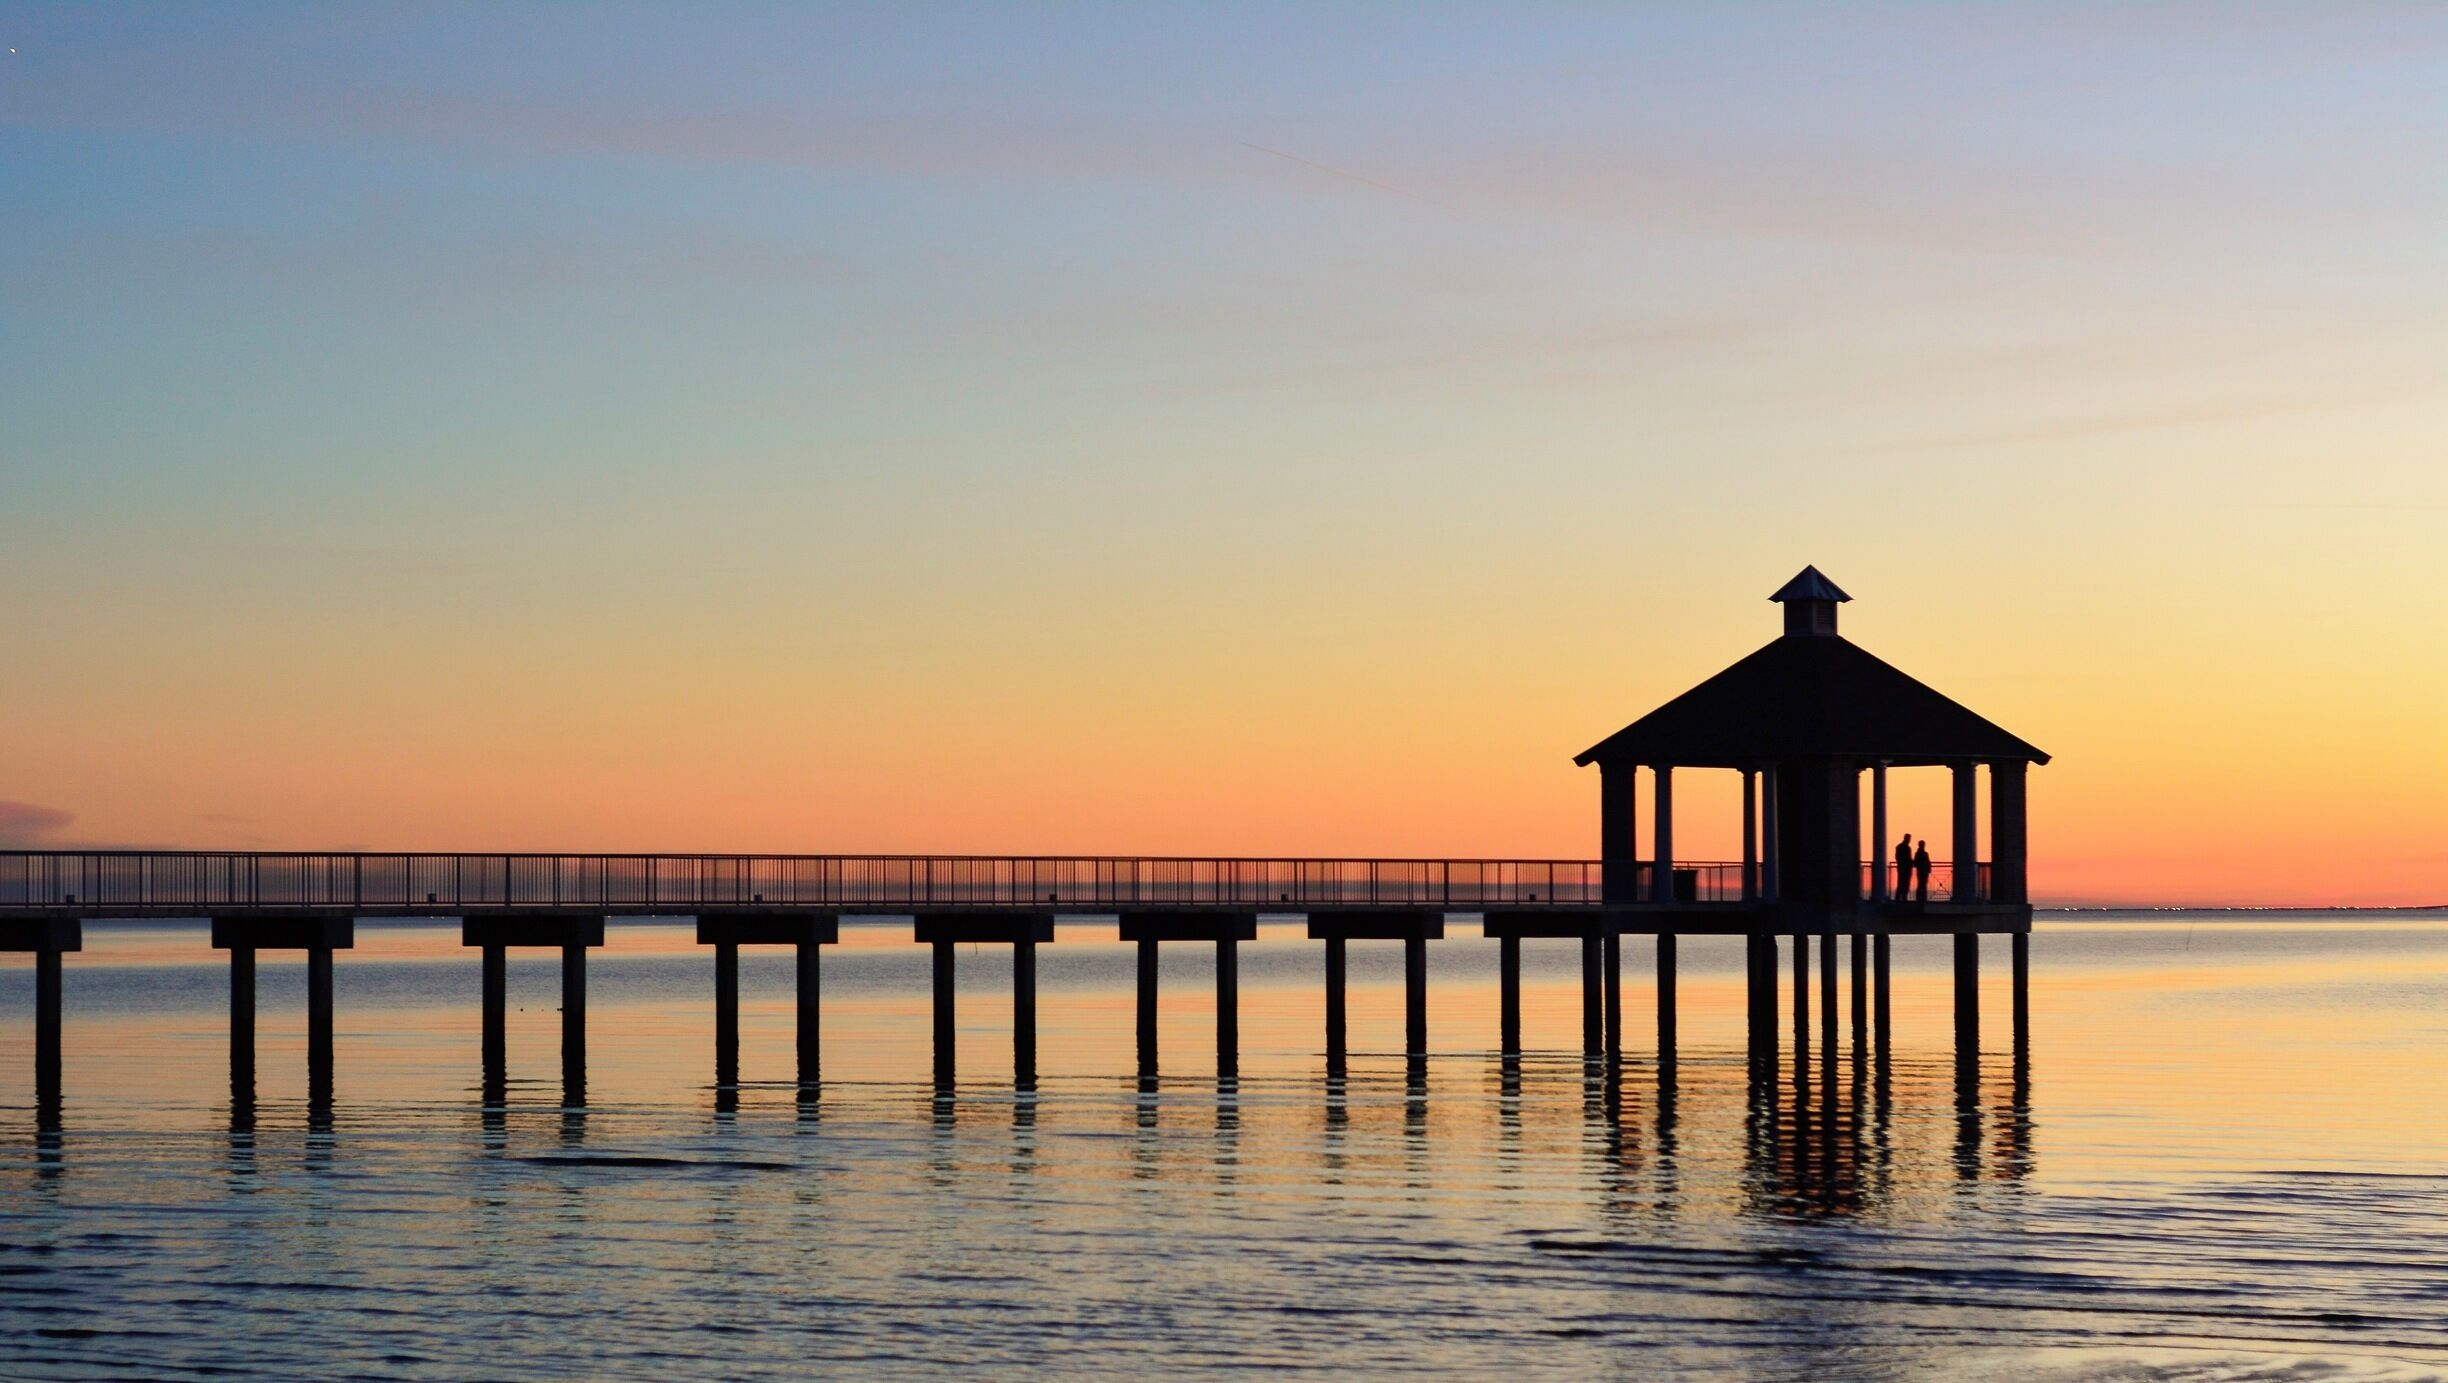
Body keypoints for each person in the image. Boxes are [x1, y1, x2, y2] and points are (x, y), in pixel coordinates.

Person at [1894, 833, 1914, 900]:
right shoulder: (1907, 848)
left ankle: (1898, 897)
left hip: (1901, 867)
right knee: (1905, 883)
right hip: (1906, 868)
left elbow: (1897, 857)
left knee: (1900, 882)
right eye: (1909, 839)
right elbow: (1908, 858)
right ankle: (1903, 897)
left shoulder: (1899, 846)